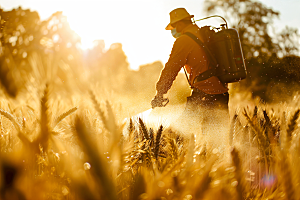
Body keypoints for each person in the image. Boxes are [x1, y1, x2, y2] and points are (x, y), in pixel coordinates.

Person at [151, 8, 230, 150]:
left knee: (173, 136)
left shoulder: (184, 40)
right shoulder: (204, 35)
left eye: (173, 27)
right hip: (222, 95)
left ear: (180, 24)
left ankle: (174, 166)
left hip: (205, 95)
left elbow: (171, 68)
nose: (173, 31)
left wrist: (160, 92)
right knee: (217, 144)